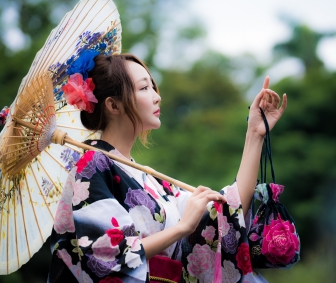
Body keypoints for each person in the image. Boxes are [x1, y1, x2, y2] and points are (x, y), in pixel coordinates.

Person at [47, 52, 287, 283]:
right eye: (143, 88)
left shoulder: (151, 180)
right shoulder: (93, 164)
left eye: (152, 86)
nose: (156, 96)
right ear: (114, 105)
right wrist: (182, 227)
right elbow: (105, 256)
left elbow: (225, 213)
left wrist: (254, 134)